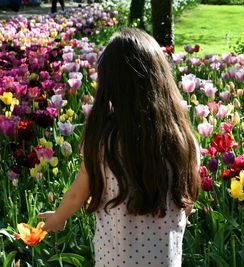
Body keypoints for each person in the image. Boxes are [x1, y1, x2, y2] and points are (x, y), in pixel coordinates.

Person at [38, 28, 201, 267]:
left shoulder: (105, 141)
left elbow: (77, 194)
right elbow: (186, 199)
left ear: (110, 86)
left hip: (114, 259)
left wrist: (58, 218)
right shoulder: (183, 140)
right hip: (164, 259)